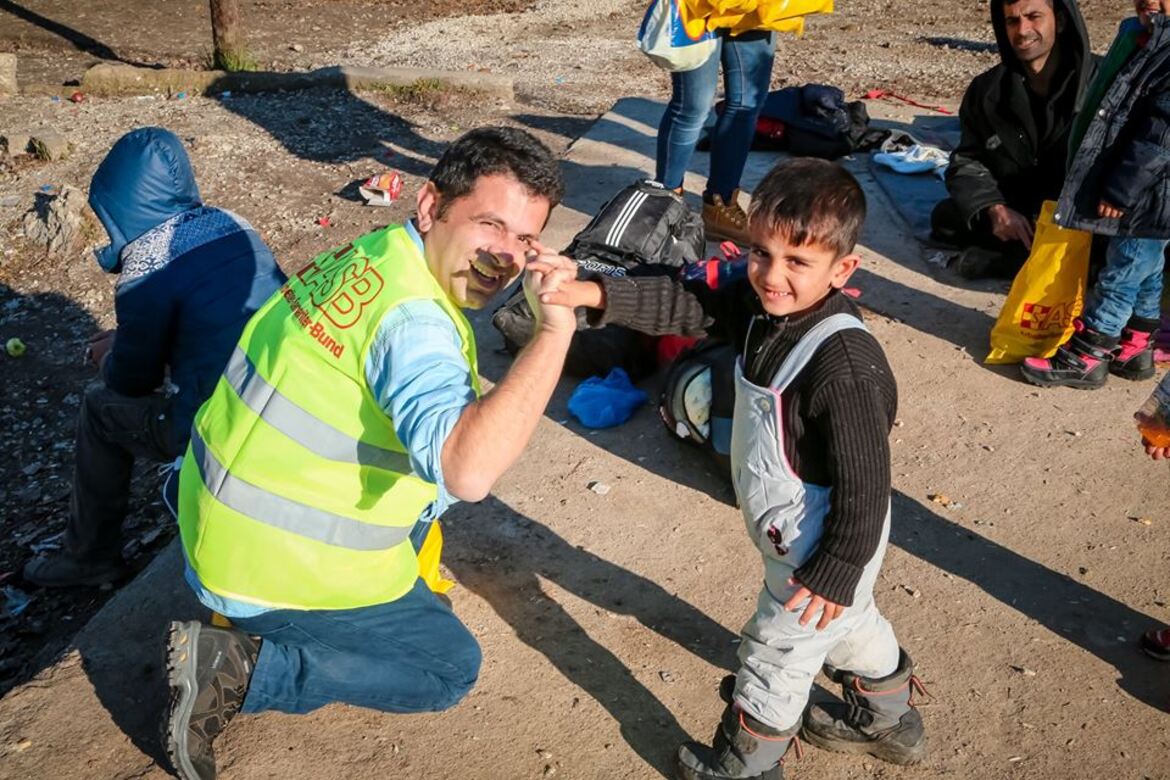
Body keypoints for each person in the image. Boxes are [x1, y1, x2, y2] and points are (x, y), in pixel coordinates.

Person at [163, 126, 578, 780]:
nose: (506, 256)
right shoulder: (415, 325)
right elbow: (467, 471)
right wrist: (554, 334)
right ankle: (245, 668)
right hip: (265, 563)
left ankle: (256, 615)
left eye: (525, 240)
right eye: (490, 226)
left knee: (420, 516)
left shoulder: (383, 255)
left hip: (213, 511)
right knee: (447, 668)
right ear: (429, 205)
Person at [539, 158, 925, 779]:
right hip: (790, 528)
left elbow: (867, 484)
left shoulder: (845, 365)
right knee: (849, 623)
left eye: (798, 262)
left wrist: (837, 568)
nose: (773, 276)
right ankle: (889, 720)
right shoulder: (758, 305)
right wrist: (592, 291)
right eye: (761, 253)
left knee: (778, 650)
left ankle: (746, 765)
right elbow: (683, 305)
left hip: (825, 539)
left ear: (843, 269)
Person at [21, 127, 286, 589]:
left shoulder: (146, 265)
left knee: (100, 408)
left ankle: (89, 557)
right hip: (282, 399)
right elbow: (203, 315)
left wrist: (108, 356)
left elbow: (131, 381)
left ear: (119, 207)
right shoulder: (230, 223)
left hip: (220, 424)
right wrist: (127, 338)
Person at [1021, 0, 1170, 389]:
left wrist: (1120, 192)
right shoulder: (1146, 36)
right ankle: (1136, 345)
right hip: (1151, 193)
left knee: (1123, 270)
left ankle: (1087, 353)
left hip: (1143, 190)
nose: (1149, 2)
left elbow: (1160, 139)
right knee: (1147, 266)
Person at [931, 0, 1095, 279]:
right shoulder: (987, 91)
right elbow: (967, 161)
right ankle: (1044, 263)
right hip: (1021, 211)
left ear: (1061, 20)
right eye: (1012, 21)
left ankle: (1006, 265)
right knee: (947, 218)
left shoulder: (1101, 83)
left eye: (1034, 17)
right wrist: (994, 208)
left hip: (1080, 215)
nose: (1022, 30)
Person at [657, 27, 777, 246]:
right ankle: (665, 204)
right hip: (699, 8)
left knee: (746, 105)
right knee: (692, 106)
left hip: (755, 7)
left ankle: (720, 207)